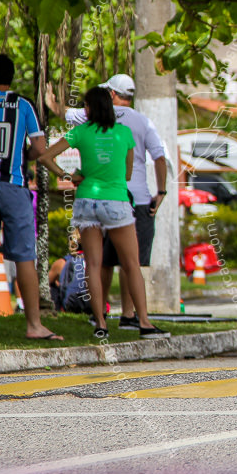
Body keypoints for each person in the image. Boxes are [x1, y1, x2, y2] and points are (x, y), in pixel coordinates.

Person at [39, 87, 169, 339]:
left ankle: (100, 324)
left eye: (86, 105)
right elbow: (128, 174)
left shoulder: (81, 132)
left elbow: (45, 156)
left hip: (87, 200)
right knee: (131, 264)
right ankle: (143, 322)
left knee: (94, 265)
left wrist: (70, 176)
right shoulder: (124, 133)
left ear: (90, 108)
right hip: (116, 201)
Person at [0, 54, 62, 341]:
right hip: (15, 185)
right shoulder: (23, 105)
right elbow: (39, 148)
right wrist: (42, 164)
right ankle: (34, 325)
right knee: (25, 256)